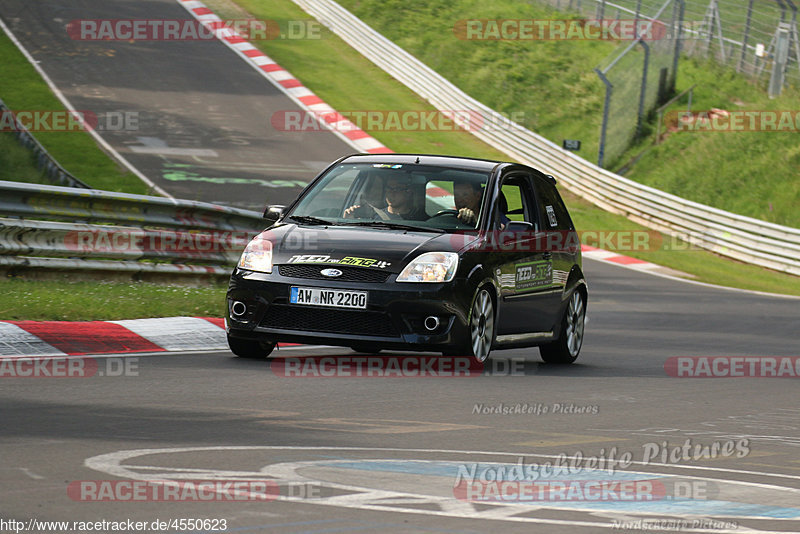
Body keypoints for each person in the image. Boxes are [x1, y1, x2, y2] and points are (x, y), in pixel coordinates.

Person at [344, 174, 427, 221]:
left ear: (408, 192)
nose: (391, 192)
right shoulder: (372, 217)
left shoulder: (420, 220)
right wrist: (348, 220)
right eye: (389, 188)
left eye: (397, 189)